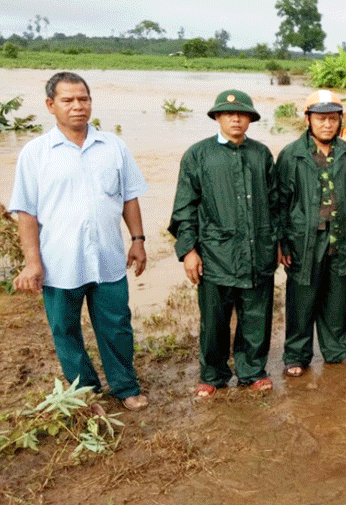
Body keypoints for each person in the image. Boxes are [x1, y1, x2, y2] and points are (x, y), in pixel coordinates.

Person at [10, 72, 149, 411]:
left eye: (83, 99)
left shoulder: (113, 146)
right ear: (50, 105)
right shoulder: (35, 153)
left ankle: (125, 387)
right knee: (65, 330)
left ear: (91, 102)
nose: (77, 106)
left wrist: (138, 240)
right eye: (68, 100)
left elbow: (129, 197)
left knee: (117, 326)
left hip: (108, 259)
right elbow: (26, 213)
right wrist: (32, 263)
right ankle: (85, 391)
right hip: (60, 262)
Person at [168, 89, 278, 397]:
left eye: (242, 114)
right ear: (217, 116)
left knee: (256, 316)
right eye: (229, 114)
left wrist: (278, 242)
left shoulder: (261, 154)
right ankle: (213, 374)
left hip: (257, 250)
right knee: (214, 320)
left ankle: (252, 371)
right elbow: (184, 208)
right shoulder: (198, 155)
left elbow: (275, 203)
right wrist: (189, 251)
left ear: (250, 119)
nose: (236, 119)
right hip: (216, 253)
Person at [276, 90, 346, 376]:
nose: (327, 124)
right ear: (308, 119)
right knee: (301, 298)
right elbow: (280, 202)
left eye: (332, 118)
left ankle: (336, 349)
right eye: (321, 119)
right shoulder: (291, 155)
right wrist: (282, 242)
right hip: (304, 240)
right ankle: (296, 355)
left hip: (340, 236)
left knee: (337, 295)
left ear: (340, 120)